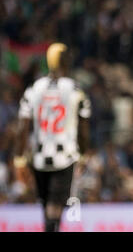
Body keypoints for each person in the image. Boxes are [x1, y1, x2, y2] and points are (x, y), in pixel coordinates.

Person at [15, 43, 91, 232]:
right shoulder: (74, 89)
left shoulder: (34, 88)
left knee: (45, 205)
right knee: (56, 208)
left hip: (39, 156)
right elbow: (83, 127)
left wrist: (19, 158)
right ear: (65, 61)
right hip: (65, 156)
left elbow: (22, 127)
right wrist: (83, 153)